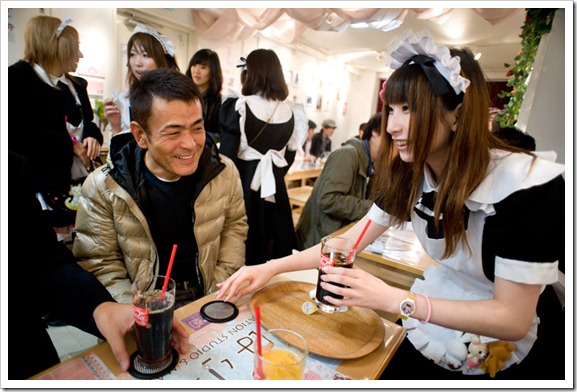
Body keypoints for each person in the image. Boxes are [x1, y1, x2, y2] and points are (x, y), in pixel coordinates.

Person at [216, 31, 565, 380]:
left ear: (457, 115)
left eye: (409, 109)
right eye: (391, 110)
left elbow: (512, 318)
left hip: (511, 343)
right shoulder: (410, 173)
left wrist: (393, 299)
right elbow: (350, 241)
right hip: (434, 311)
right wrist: (271, 267)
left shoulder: (525, 186)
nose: (393, 127)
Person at [8, 151, 190, 379]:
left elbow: (42, 263)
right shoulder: (102, 184)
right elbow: (99, 259)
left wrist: (100, 306)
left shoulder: (9, 168)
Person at [74, 69, 248, 307]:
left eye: (197, 128)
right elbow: (100, 262)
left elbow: (234, 228)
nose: (190, 144)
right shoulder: (104, 186)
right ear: (140, 135)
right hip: (142, 306)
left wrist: (215, 291)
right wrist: (140, 312)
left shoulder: (223, 172)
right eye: (173, 132)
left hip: (207, 296)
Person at [8, 15, 103, 234]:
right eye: (75, 48)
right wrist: (68, 144)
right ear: (57, 47)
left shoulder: (77, 85)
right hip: (39, 186)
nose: (80, 55)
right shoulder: (17, 79)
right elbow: (17, 136)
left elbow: (87, 122)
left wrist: (91, 137)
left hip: (78, 182)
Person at [219, 49, 307, 265]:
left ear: (251, 73)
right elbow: (289, 157)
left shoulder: (240, 105)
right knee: (273, 248)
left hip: (243, 187)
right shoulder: (292, 111)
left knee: (241, 245)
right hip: (275, 189)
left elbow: (226, 158)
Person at [295, 112, 382, 249]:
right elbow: (329, 200)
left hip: (334, 235)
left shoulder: (369, 161)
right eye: (392, 137)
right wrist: (370, 207)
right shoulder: (348, 154)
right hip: (320, 238)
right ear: (375, 132)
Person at [103, 24, 179, 160]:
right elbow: (120, 156)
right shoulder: (124, 99)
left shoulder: (174, 98)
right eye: (132, 54)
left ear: (160, 59)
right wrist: (116, 125)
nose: (137, 62)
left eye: (145, 55)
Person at [185, 48, 223, 144]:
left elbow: (220, 134)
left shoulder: (218, 100)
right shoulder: (182, 93)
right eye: (194, 65)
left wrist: (199, 138)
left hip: (202, 149)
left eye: (203, 67)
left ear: (213, 71)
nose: (196, 71)